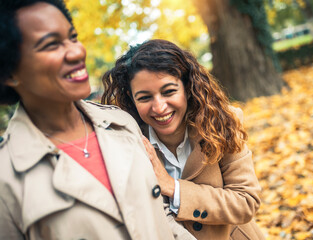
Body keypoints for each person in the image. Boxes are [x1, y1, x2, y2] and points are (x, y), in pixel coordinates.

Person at [0, 1, 193, 239]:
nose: (77, 52)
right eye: (51, 45)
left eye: (73, 37)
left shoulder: (121, 124)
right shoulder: (5, 177)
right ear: (9, 73)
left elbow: (160, 215)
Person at [102, 39, 265, 240]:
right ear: (131, 97)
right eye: (145, 97)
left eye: (169, 91)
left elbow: (245, 202)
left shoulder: (223, 121)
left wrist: (173, 187)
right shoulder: (127, 143)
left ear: (187, 87)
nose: (159, 107)